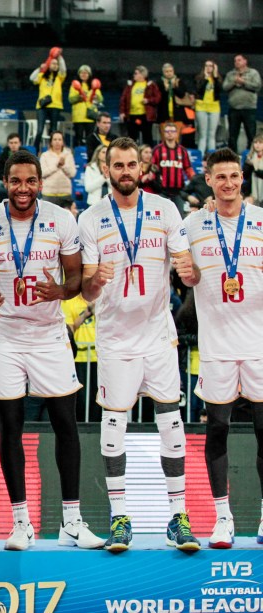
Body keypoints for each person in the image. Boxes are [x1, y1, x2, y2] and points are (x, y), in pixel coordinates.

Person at [0, 149, 103, 551]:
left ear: (40, 183)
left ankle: (72, 522)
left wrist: (62, 290)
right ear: (5, 182)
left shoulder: (62, 219)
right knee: (11, 427)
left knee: (66, 424)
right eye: (15, 181)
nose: (22, 189)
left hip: (48, 334)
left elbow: (76, 275)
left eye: (29, 181)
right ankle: (21, 523)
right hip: (4, 336)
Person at [79, 136, 201, 552]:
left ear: (142, 168)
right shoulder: (92, 218)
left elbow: (188, 272)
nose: (126, 172)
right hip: (114, 337)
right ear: (107, 168)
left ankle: (178, 517)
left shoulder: (165, 210)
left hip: (157, 333)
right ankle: (119, 518)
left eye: (132, 165)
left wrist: (189, 270)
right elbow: (88, 290)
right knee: (114, 428)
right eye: (118, 166)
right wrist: (95, 280)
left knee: (172, 422)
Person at [184, 147, 263, 548]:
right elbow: (187, 273)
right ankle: (222, 518)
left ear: (242, 179)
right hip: (216, 346)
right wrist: (190, 273)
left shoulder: (262, 222)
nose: (229, 183)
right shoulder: (193, 225)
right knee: (217, 430)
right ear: (209, 179)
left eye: (235, 176)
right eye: (221, 177)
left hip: (259, 345)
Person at [152, 122, 195, 211]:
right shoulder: (157, 150)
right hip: (161, 191)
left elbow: (188, 169)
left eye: (172, 131)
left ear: (176, 133)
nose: (170, 133)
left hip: (178, 192)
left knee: (180, 218)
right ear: (164, 134)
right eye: (167, 131)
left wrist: (195, 181)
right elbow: (152, 168)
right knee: (161, 217)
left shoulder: (182, 151)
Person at [30, 47, 66, 152]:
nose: (55, 65)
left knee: (53, 131)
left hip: (55, 105)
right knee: (40, 130)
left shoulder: (60, 76)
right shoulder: (42, 76)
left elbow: (63, 68)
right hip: (42, 106)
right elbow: (32, 78)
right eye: (53, 63)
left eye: (56, 64)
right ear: (49, 64)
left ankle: (53, 150)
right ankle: (35, 150)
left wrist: (59, 56)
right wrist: (40, 68)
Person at [223, 54, 261, 152]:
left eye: (239, 60)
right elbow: (225, 87)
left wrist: (244, 82)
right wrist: (234, 82)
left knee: (251, 134)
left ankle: (251, 156)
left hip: (249, 108)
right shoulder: (230, 74)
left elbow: (257, 86)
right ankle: (232, 155)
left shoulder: (253, 73)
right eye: (235, 60)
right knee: (232, 135)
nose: (237, 62)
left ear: (245, 61)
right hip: (234, 108)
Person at [120, 66, 161, 146]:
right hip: (132, 115)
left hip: (145, 116)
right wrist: (122, 112)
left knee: (147, 137)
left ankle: (148, 155)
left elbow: (158, 98)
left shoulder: (150, 85)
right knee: (131, 138)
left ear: (142, 75)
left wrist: (148, 100)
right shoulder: (130, 85)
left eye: (136, 73)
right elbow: (123, 99)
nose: (133, 75)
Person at [158, 63, 196, 148]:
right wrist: (166, 88)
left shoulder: (178, 81)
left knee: (176, 138)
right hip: (164, 115)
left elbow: (182, 95)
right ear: (163, 72)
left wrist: (174, 87)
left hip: (177, 115)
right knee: (165, 138)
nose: (169, 73)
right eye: (167, 71)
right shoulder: (159, 83)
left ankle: (175, 155)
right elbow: (158, 98)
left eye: (170, 71)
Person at [69, 65, 103, 147]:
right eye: (81, 72)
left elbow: (101, 99)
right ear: (79, 74)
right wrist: (78, 97)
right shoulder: (74, 85)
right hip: (78, 117)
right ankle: (78, 156)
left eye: (86, 73)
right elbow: (70, 99)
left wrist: (96, 97)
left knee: (90, 139)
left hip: (90, 117)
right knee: (78, 138)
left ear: (89, 74)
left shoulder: (93, 85)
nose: (83, 74)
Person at [40, 132, 77, 208]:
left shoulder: (68, 155)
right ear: (51, 142)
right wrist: (57, 165)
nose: (57, 142)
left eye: (59, 139)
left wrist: (63, 165)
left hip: (65, 193)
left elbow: (72, 173)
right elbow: (42, 173)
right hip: (49, 194)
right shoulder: (45, 155)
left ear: (63, 142)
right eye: (55, 139)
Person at [194, 60, 223, 154]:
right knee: (202, 135)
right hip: (201, 107)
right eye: (206, 65)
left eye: (211, 66)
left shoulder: (217, 79)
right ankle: (200, 156)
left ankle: (212, 157)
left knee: (211, 135)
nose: (208, 68)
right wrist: (206, 79)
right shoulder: (199, 78)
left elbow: (219, 90)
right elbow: (198, 90)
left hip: (214, 108)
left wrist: (215, 77)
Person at [243, 134, 263, 204]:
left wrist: (256, 170)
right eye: (255, 142)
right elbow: (245, 175)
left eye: (260, 143)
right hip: (252, 190)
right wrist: (249, 165)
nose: (257, 145)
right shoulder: (250, 157)